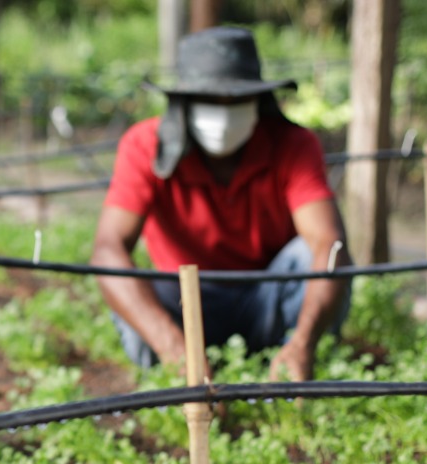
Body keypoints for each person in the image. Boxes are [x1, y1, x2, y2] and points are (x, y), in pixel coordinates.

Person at [92, 26, 351, 382]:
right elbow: (108, 249)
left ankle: (292, 360)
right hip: (185, 305)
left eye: (237, 101)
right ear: (184, 103)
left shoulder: (293, 145)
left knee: (320, 257)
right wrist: (177, 352)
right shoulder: (144, 146)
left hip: (265, 296)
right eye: (211, 101)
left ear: (259, 100)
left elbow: (328, 242)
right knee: (127, 281)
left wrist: (304, 341)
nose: (225, 115)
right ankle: (177, 373)